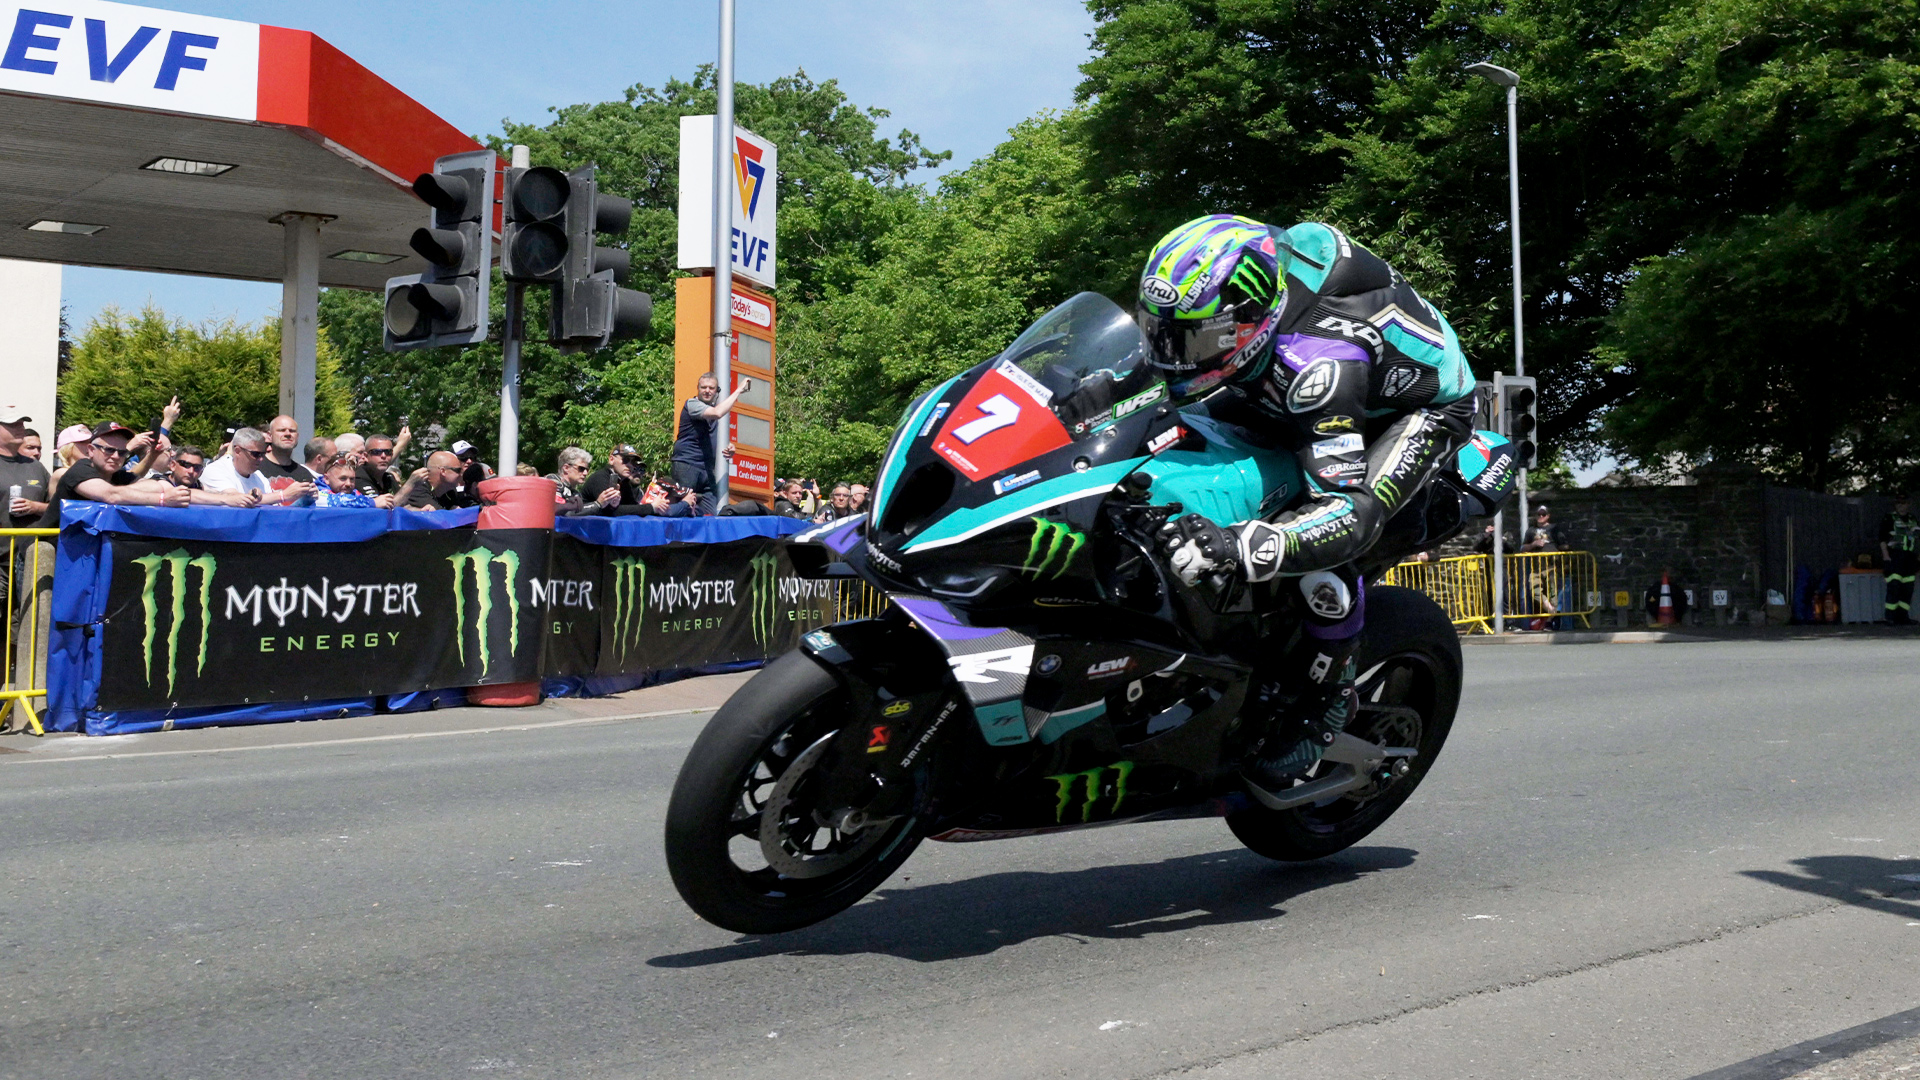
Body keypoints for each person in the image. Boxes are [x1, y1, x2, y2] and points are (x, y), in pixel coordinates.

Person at [1136, 215, 1482, 792]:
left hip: (1408, 413)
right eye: (1161, 332)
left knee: (1327, 549)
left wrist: (1245, 545)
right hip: (1301, 368)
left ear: (1251, 319)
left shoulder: (1319, 367)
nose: (1173, 355)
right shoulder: (1243, 270)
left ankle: (1327, 698)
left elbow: (1350, 511)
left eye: (1192, 340)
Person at [671, 372, 750, 515]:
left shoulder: (712, 412)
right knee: (684, 508)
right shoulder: (693, 404)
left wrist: (729, 445)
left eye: (711, 388)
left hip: (706, 469)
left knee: (709, 513)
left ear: (716, 391)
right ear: (698, 389)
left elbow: (712, 433)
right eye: (704, 387)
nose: (707, 391)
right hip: (687, 465)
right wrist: (738, 390)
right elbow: (716, 413)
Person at [200, 427, 314, 506]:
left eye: (263, 454)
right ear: (238, 451)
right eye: (255, 454)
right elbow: (236, 499)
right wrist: (284, 495)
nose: (261, 459)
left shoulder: (258, 476)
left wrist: (303, 498)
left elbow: (274, 510)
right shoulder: (216, 470)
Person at [0, 407, 51, 527]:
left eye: (21, 424)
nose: (20, 429)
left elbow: (56, 507)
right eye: (13, 425)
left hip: (34, 545)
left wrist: (36, 507)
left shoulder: (35, 466)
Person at [549, 447, 621, 517]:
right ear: (566, 468)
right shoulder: (552, 482)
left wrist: (610, 505)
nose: (585, 473)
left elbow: (584, 513)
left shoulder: (575, 493)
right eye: (581, 469)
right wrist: (597, 504)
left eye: (587, 469)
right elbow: (564, 513)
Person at [1880, 495, 1918, 625]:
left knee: (1908, 588)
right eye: (1899, 504)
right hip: (1895, 556)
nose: (1902, 506)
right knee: (1894, 587)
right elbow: (1882, 539)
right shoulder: (1889, 518)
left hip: (1910, 558)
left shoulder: (1913, 519)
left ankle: (1903, 617)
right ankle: (1889, 617)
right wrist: (1886, 556)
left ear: (1909, 504)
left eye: (1904, 503)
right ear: (1895, 505)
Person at [313, 454, 396, 508]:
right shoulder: (314, 493)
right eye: (343, 478)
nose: (348, 484)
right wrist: (373, 503)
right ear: (326, 479)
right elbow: (336, 501)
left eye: (352, 479)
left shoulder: (354, 493)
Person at [256, 415, 310, 491]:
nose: (287, 434)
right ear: (270, 436)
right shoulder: (256, 468)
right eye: (281, 430)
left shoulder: (304, 474)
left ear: (297, 436)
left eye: (292, 431)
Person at [354, 433, 403, 500]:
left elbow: (404, 505)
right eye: (377, 452)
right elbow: (379, 507)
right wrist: (411, 483)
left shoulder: (389, 478)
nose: (383, 456)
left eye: (388, 452)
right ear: (365, 456)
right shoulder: (357, 478)